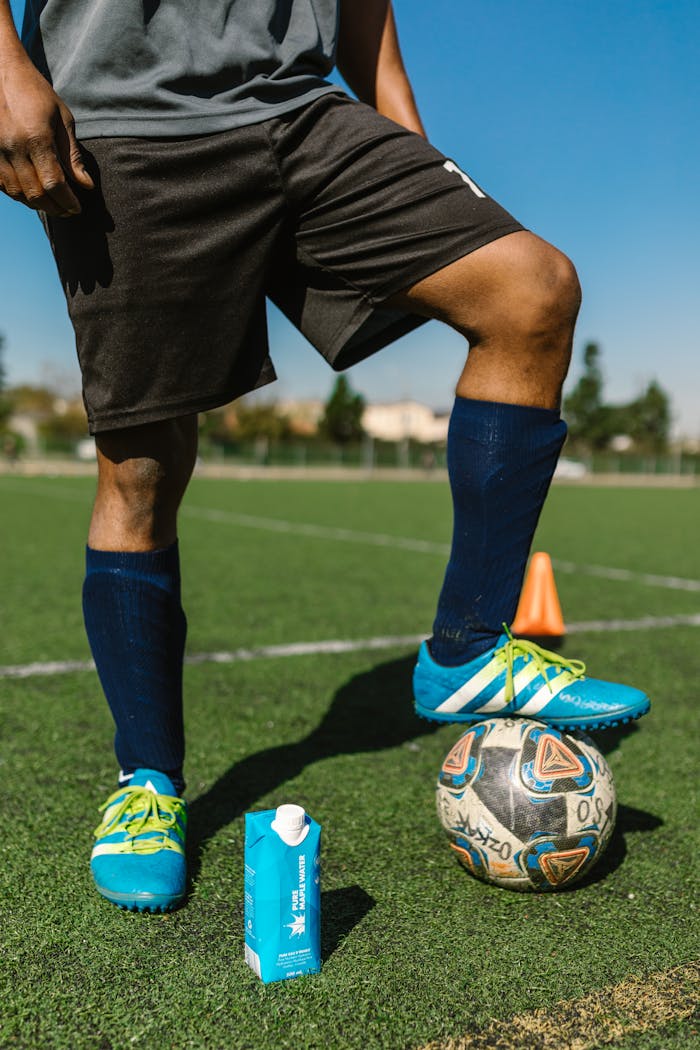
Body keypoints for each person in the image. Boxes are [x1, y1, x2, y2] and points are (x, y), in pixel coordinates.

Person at [0, 0, 649, 913]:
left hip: (303, 109)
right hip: (127, 126)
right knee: (141, 464)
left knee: (530, 292)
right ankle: (147, 783)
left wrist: (412, 151)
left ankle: (467, 650)